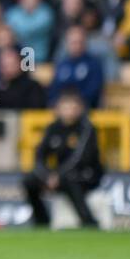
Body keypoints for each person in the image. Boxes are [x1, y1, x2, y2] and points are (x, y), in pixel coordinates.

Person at [23, 88, 103, 228]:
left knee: (71, 179)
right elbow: (40, 155)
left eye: (73, 107)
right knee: (29, 181)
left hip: (86, 174)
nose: (69, 111)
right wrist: (47, 175)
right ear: (58, 109)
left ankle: (88, 221)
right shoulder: (53, 128)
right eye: (65, 107)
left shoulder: (86, 128)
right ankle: (41, 221)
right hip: (57, 175)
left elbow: (79, 158)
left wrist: (58, 175)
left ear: (80, 108)